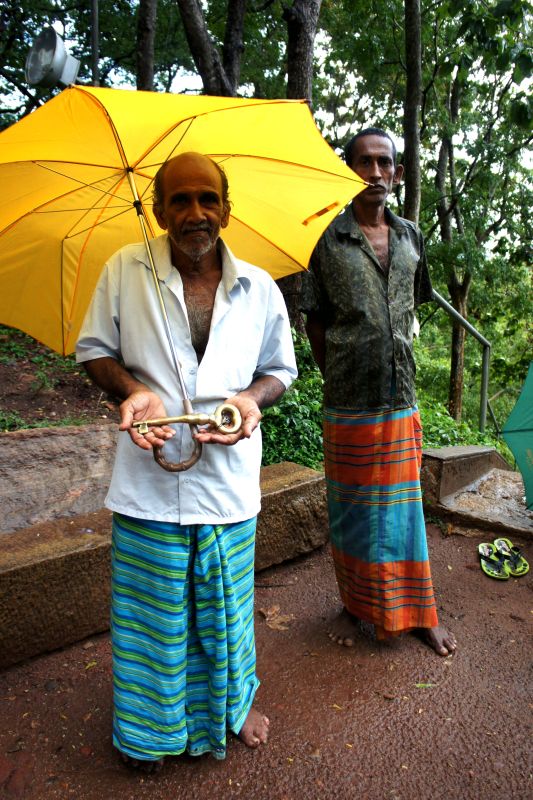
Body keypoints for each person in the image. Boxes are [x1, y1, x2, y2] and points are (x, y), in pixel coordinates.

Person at [76, 152, 297, 770]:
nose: (195, 212)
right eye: (180, 200)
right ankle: (150, 732)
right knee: (152, 616)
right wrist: (133, 391)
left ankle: (233, 706)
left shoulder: (259, 288)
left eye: (207, 198)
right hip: (148, 479)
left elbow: (280, 370)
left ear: (226, 209)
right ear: (158, 210)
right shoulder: (124, 271)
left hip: (229, 482)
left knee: (228, 607)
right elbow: (94, 351)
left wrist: (250, 401)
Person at [301, 128, 457, 657]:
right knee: (351, 512)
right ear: (348, 169)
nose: (374, 172)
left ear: (397, 172)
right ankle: (354, 606)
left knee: (404, 511)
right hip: (348, 401)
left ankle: (420, 613)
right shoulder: (326, 238)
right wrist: (338, 370)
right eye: (364, 162)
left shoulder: (411, 237)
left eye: (384, 163)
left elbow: (412, 304)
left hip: (400, 397)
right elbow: (315, 319)